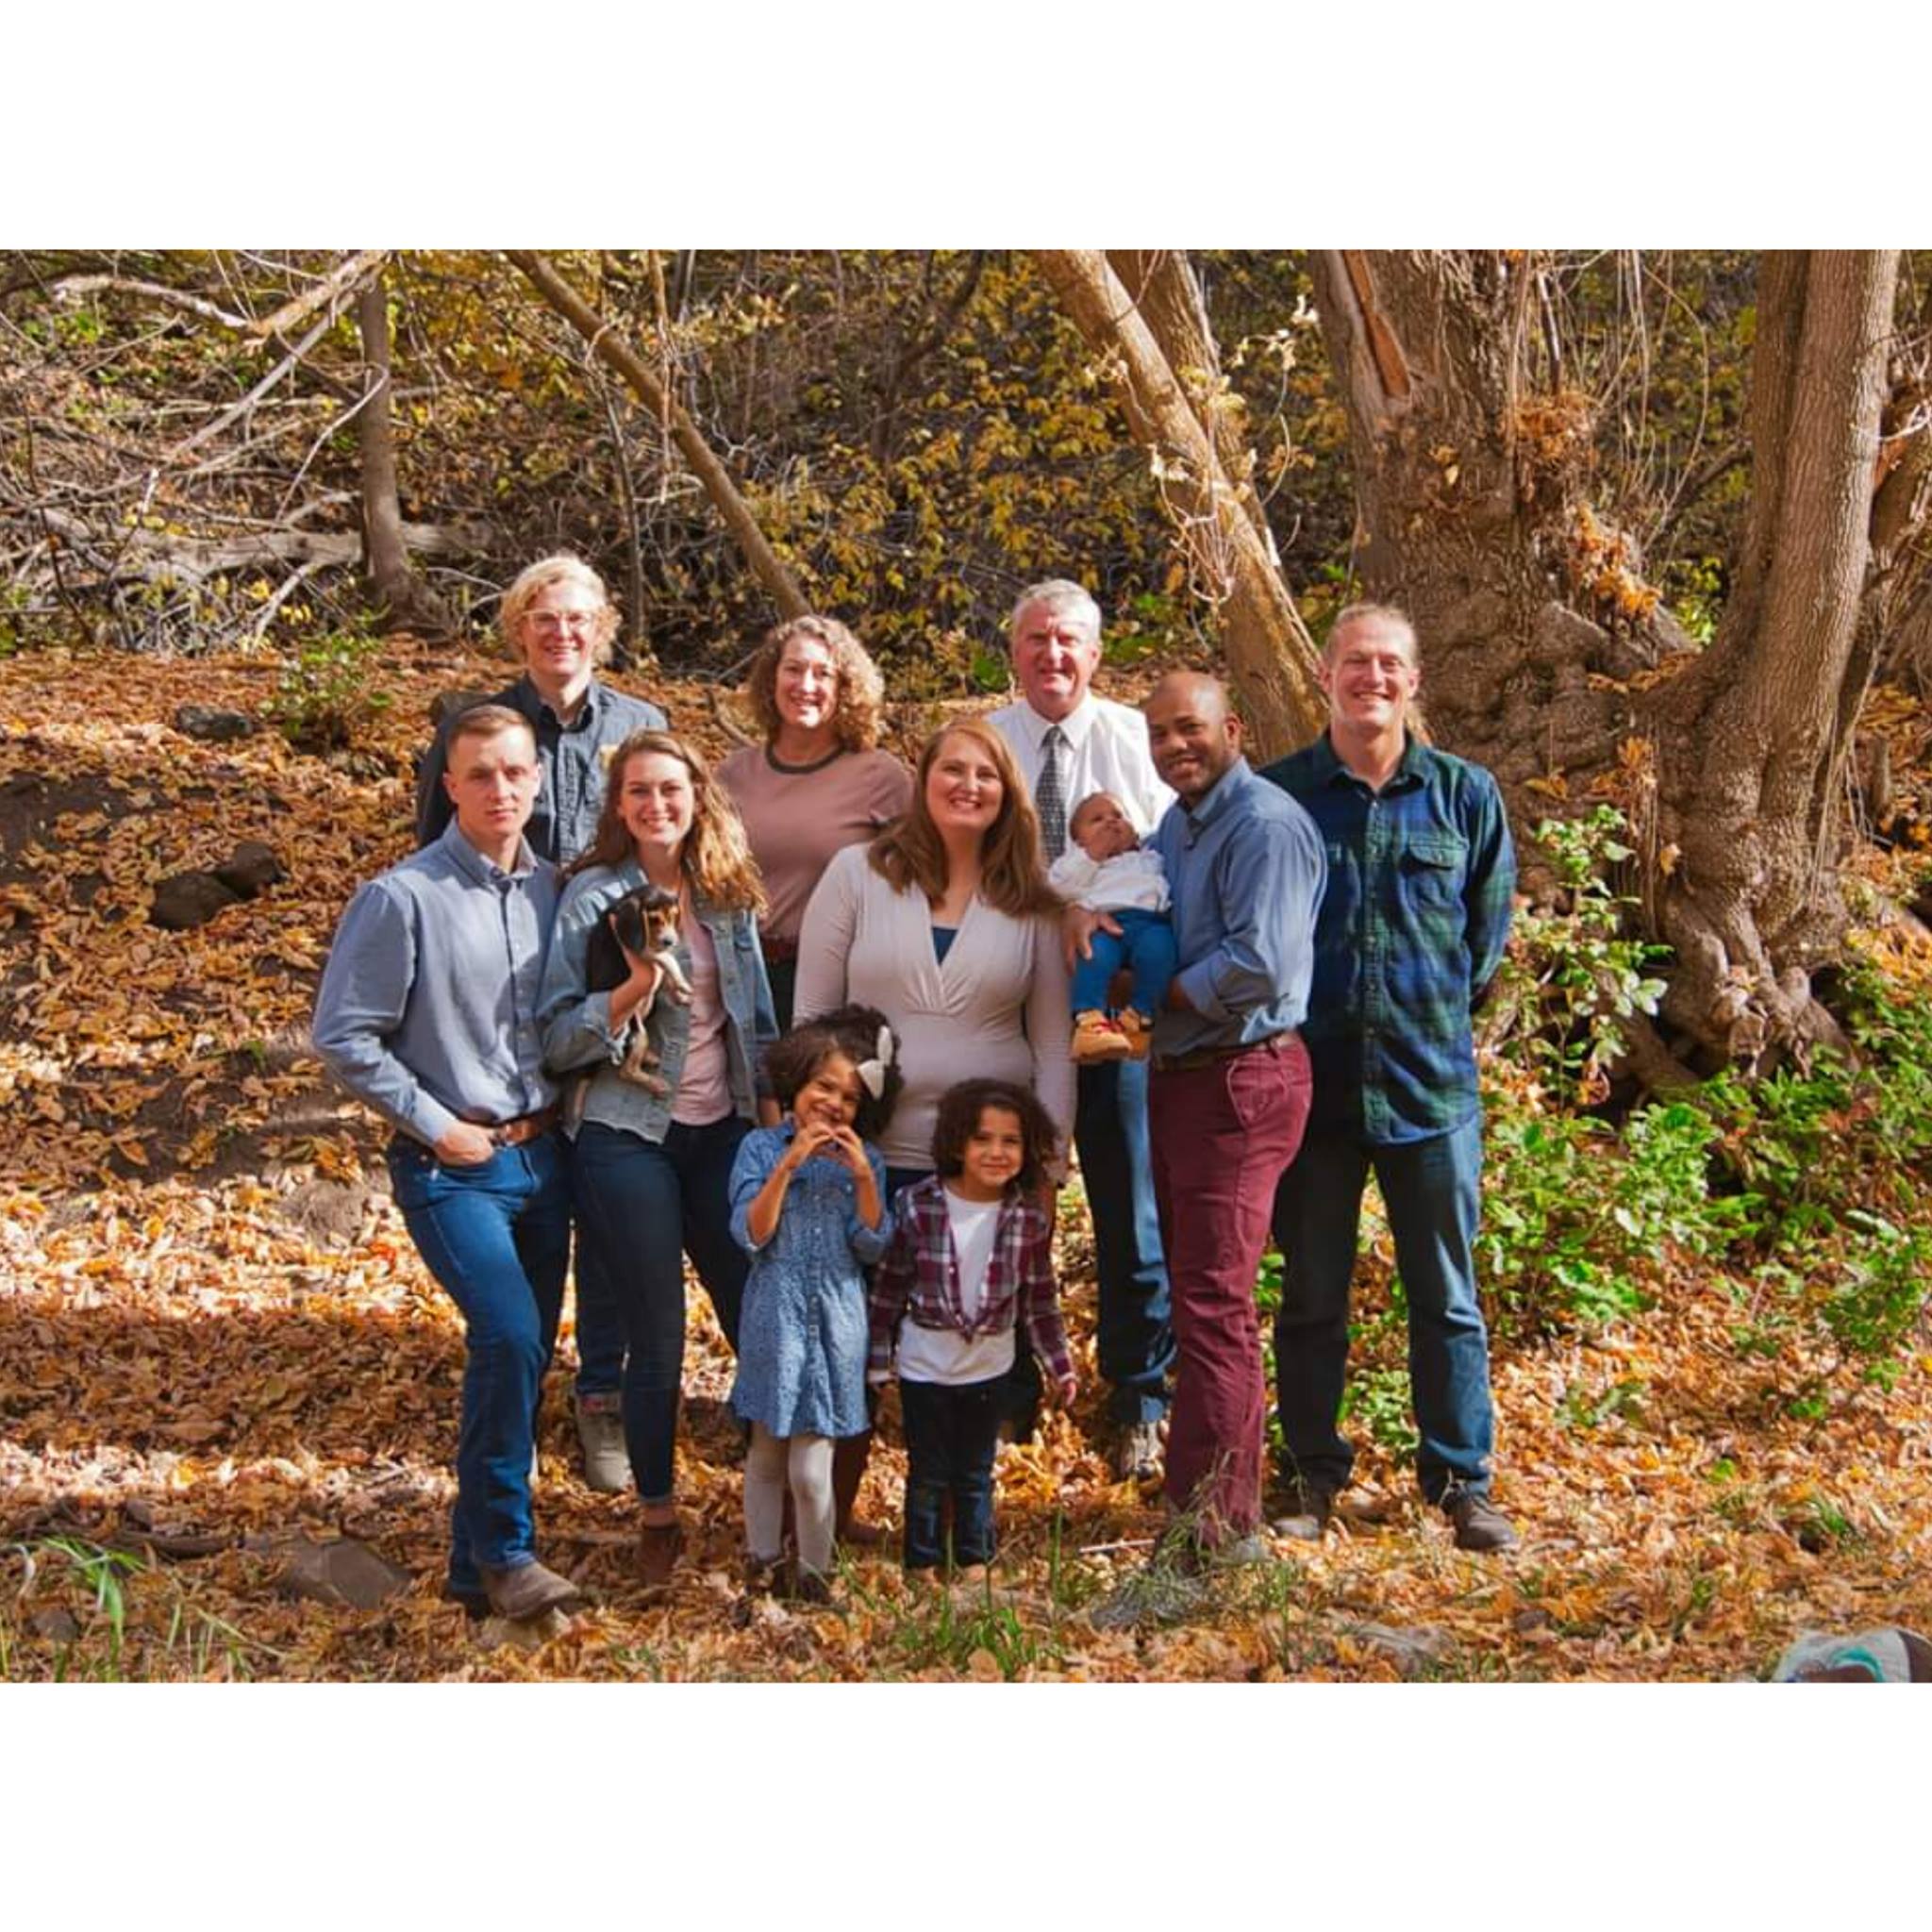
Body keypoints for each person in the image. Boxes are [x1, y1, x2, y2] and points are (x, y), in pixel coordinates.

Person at [1260, 605, 1519, 1553]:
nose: (1370, 677)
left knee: (1445, 1298)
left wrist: (1422, 1013)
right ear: (1323, 674)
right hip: (1313, 1094)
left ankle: (1460, 1481)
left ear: (1412, 682)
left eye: (1387, 664)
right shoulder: (1279, 796)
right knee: (1310, 1298)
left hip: (1430, 1092)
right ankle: (1308, 1474)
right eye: (1353, 662)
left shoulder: (1463, 796)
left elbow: (1482, 945)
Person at [312, 704, 579, 1623]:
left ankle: (473, 1569)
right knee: (507, 1333)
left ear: (537, 779)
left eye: (515, 771)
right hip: (453, 1165)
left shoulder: (557, 891)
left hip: (544, 1156)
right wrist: (435, 1124)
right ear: (450, 786)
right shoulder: (402, 897)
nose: (500, 788)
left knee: (523, 1353)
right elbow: (343, 1034)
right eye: (480, 774)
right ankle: (507, 1552)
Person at [413, 554, 668, 1496]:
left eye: (577, 617)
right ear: (519, 626)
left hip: (611, 991)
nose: (561, 632)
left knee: (601, 1201)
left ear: (602, 628)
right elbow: (433, 861)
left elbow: (665, 840)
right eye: (543, 617)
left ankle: (599, 1392)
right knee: (527, 1200)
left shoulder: (638, 723)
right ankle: (514, 1388)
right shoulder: (477, 729)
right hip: (509, 990)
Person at [794, 717, 1074, 1531]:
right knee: (846, 1338)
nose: (968, 786)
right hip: (864, 1156)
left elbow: (1053, 1046)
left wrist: (1047, 1169)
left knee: (964, 1343)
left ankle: (950, 1529)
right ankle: (822, 1524)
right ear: (922, 781)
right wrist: (809, 1135)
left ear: (1008, 795)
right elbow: (811, 1019)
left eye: (987, 775)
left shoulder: (1032, 899)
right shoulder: (858, 874)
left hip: (981, 1170)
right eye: (952, 769)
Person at [537, 729, 779, 1591]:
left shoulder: (726, 893)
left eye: (670, 789)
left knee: (759, 1309)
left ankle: (780, 1500)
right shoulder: (591, 898)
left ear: (697, 797)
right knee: (658, 1331)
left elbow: (758, 1027)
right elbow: (556, 1037)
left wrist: (774, 1134)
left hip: (722, 1132)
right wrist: (635, 986)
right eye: (638, 791)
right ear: (618, 805)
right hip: (625, 1131)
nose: (656, 805)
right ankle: (657, 1516)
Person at [989, 580, 1175, 1479]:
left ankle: (1140, 1395)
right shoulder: (987, 745)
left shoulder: (1141, 740)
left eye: (1068, 641)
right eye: (1036, 639)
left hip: (1114, 1012)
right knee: (1003, 1198)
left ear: (1096, 654)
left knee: (1128, 1203)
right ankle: (1007, 1387)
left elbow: (1173, 860)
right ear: (1013, 651)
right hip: (1007, 1003)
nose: (1052, 655)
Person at [1141, 670, 1324, 1559]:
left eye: (1190, 728)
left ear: (1235, 729)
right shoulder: (1178, 826)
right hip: (1183, 1076)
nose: (1175, 746)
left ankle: (1216, 1528)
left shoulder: (1264, 826)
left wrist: (1160, 991)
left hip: (1241, 1081)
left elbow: (1260, 966)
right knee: (1198, 1296)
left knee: (1216, 1301)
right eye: (1159, 735)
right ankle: (1202, 1500)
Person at [868, 1079, 1077, 1581]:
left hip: (989, 1365)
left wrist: (1060, 1366)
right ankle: (921, 1561)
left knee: (976, 1472)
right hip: (925, 1364)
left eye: (1010, 1141)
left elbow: (1039, 1301)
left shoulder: (1026, 1217)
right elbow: (890, 1288)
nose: (996, 1152)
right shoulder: (919, 1205)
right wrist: (876, 1359)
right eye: (982, 1139)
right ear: (956, 1143)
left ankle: (974, 1560)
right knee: (928, 1471)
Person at [729, 1007, 902, 1603]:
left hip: (836, 1323)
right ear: (796, 1083)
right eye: (823, 1087)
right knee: (766, 1453)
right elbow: (751, 1234)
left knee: (811, 1466)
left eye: (850, 1097)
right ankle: (761, 1564)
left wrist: (864, 1180)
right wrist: (789, 1164)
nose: (833, 1104)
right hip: (774, 1319)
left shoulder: (865, 1161)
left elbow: (873, 1243)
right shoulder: (758, 1149)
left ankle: (815, 1575)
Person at [717, 613, 913, 1030]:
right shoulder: (733, 774)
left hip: (839, 982)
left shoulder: (880, 777)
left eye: (823, 674)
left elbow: (918, 888)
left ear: (845, 688)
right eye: (793, 669)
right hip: (741, 976)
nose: (806, 685)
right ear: (771, 679)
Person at [1049, 790, 1176, 1065]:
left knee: (1161, 953)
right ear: (1078, 840)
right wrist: (1093, 854)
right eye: (1097, 819)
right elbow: (1058, 888)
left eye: (1118, 816)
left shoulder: (1150, 856)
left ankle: (1139, 1019)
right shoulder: (1078, 863)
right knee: (1093, 957)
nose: (1110, 822)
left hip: (1149, 923)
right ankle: (1089, 1021)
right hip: (1104, 924)